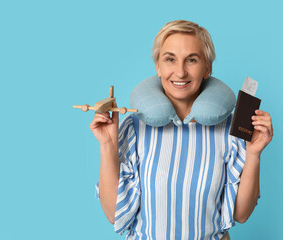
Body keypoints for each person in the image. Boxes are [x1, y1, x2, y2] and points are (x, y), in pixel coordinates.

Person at [90, 20, 273, 240]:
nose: (180, 72)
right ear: (158, 66)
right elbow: (113, 214)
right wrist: (108, 144)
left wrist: (254, 154)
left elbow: (241, 215)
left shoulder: (229, 130)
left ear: (207, 68)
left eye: (192, 60)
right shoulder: (134, 128)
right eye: (170, 59)